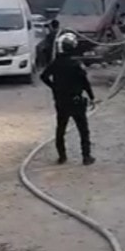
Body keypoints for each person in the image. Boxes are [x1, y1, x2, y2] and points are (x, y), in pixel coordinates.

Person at [39, 33, 96, 165]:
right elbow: (85, 82)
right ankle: (86, 157)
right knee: (83, 130)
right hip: (76, 100)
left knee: (60, 129)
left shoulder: (56, 63)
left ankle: (62, 156)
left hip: (61, 101)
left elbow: (43, 76)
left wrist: (54, 87)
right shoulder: (76, 64)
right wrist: (92, 97)